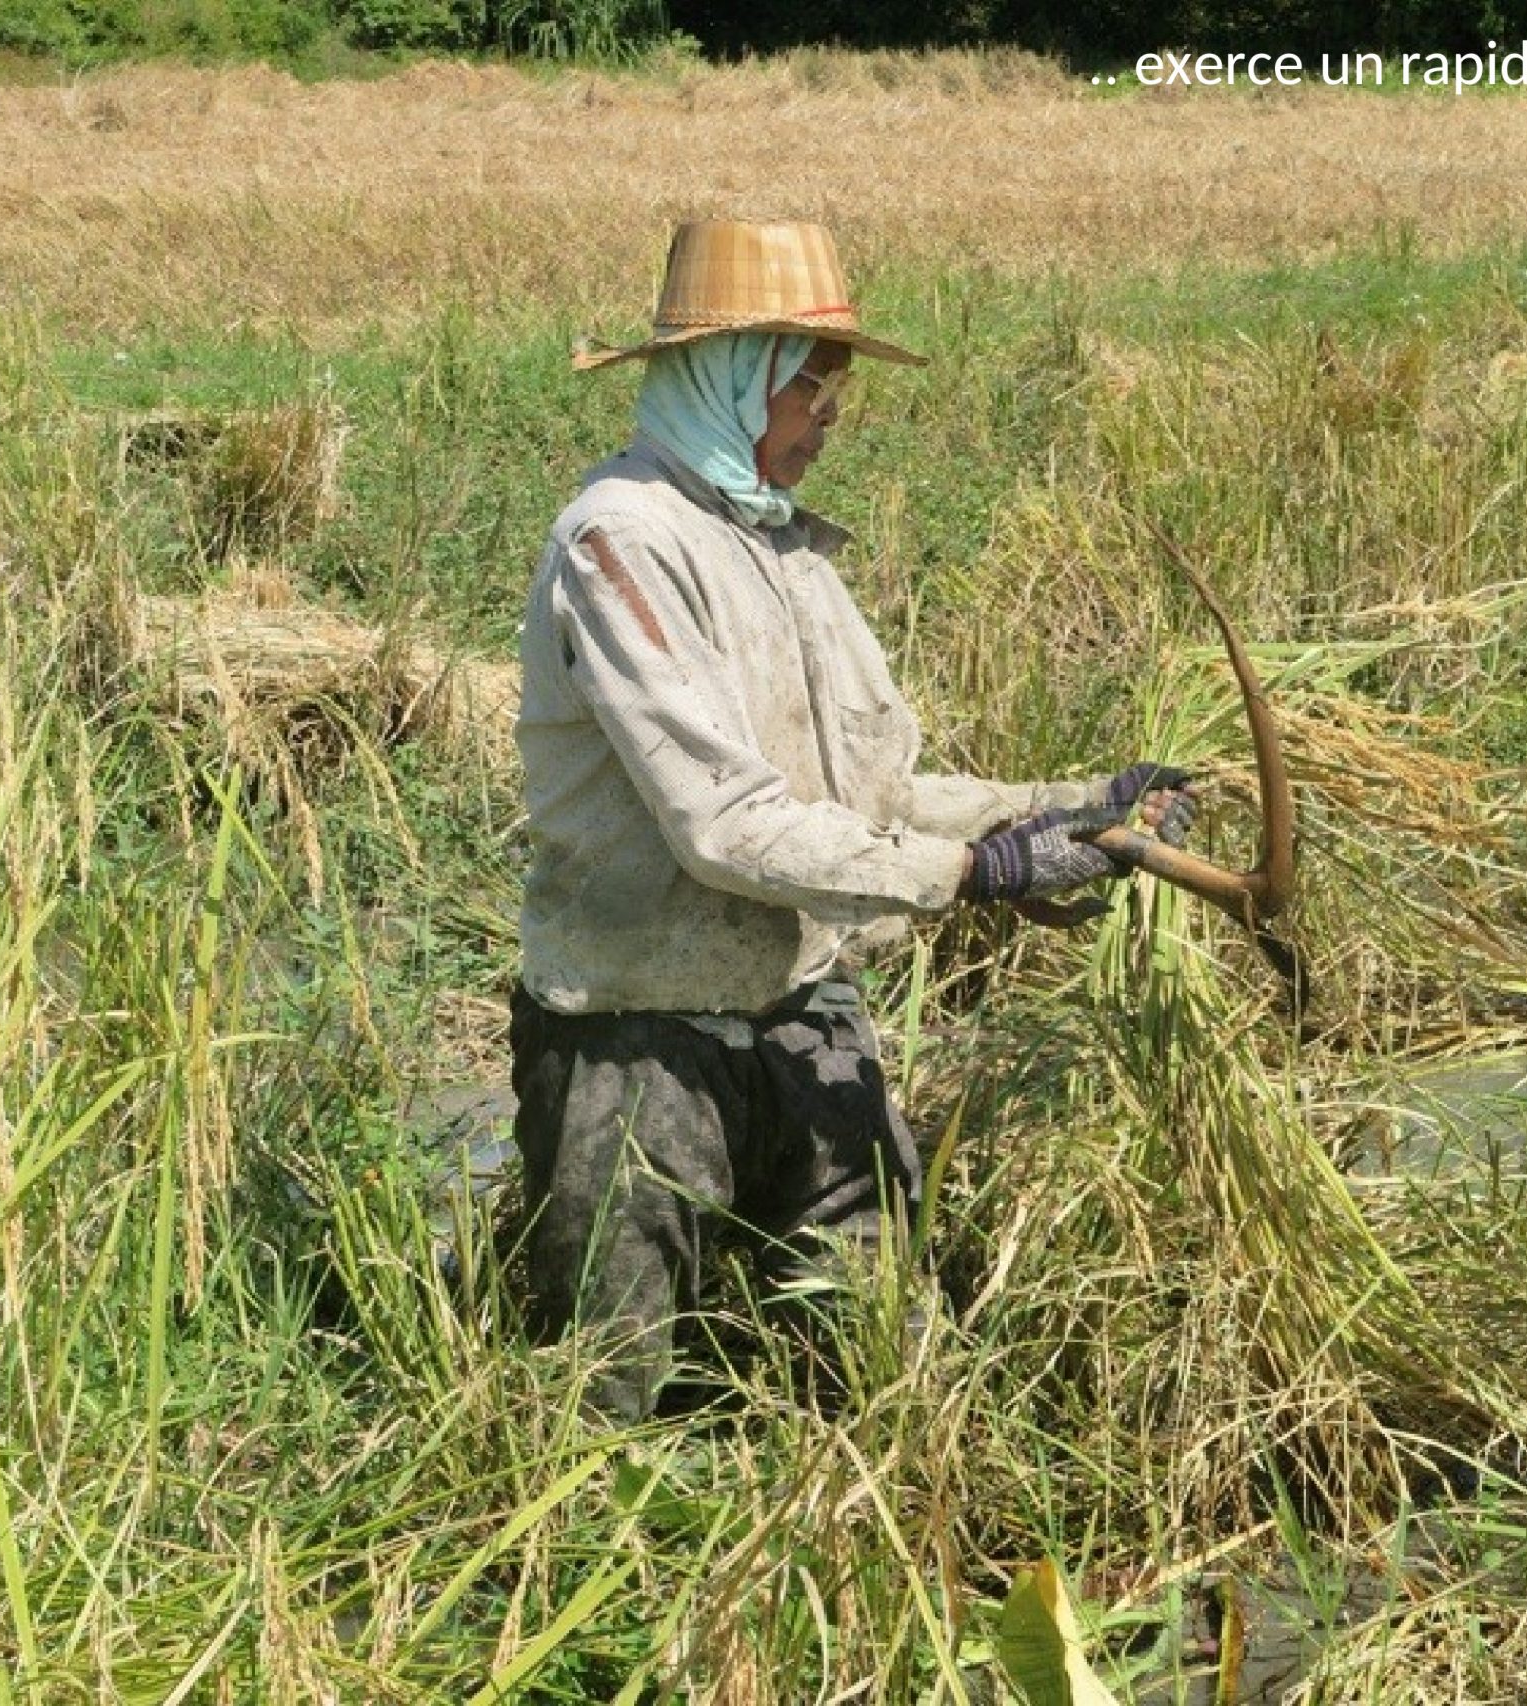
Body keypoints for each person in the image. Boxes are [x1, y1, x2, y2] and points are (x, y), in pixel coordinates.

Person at [509, 219, 1195, 1421]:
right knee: (608, 1402)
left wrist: (1062, 809)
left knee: (880, 1363)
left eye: (839, 391)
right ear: (733, 378)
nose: (831, 417)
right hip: (636, 1031)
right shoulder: (622, 543)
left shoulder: (783, 551)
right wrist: (973, 872)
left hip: (803, 1002)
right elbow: (725, 825)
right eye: (812, 386)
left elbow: (868, 799)